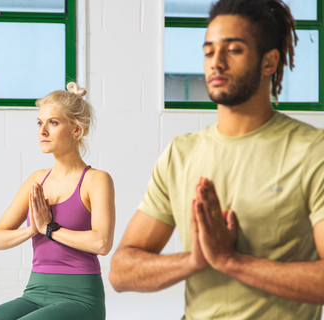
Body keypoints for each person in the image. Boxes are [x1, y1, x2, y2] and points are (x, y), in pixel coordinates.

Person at [109, 0, 324, 319]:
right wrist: (194, 260)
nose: (216, 63)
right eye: (209, 51)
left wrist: (232, 261)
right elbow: (121, 270)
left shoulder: (313, 151)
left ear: (269, 62)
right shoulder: (180, 154)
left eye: (234, 50)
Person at [0, 82, 115, 320]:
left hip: (81, 297)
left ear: (76, 130)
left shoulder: (96, 180)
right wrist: (32, 230)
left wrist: (49, 229)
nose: (43, 131)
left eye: (53, 123)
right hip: (34, 293)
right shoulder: (37, 180)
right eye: (40, 123)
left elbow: (101, 243)